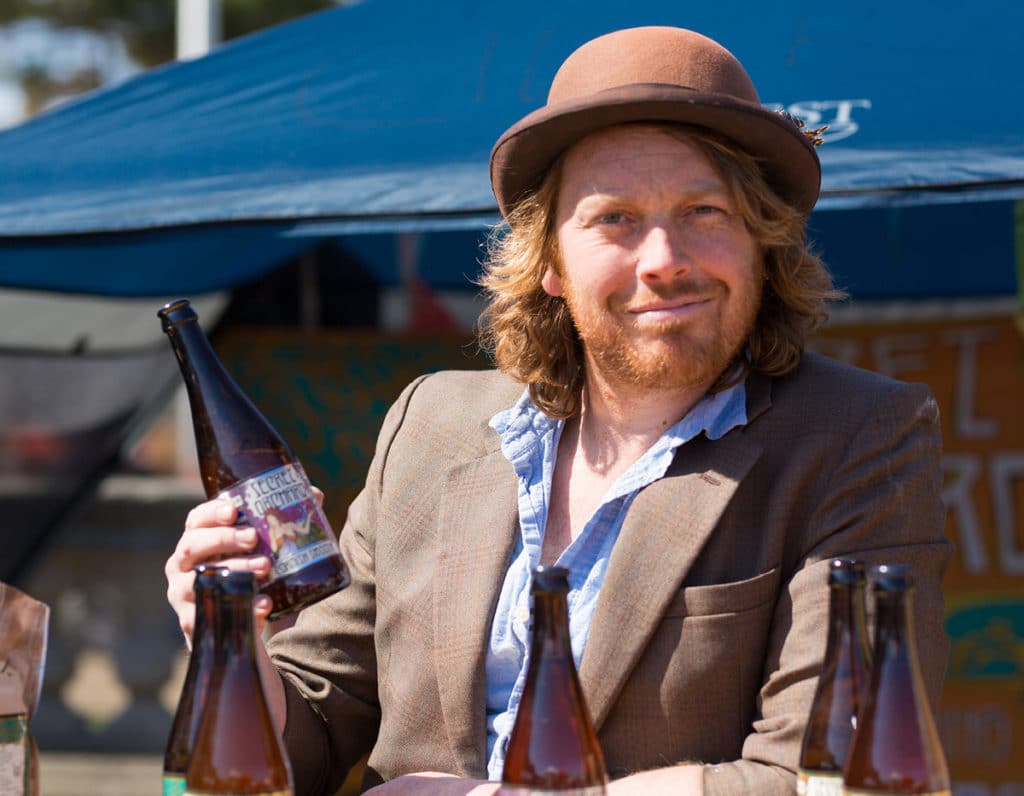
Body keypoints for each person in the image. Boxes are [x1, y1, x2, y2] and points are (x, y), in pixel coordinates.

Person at [165, 26, 953, 796]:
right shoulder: (430, 424)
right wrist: (228, 648)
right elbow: (306, 731)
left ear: (763, 242)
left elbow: (839, 778)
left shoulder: (859, 434)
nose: (663, 260)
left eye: (704, 211)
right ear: (548, 262)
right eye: (614, 218)